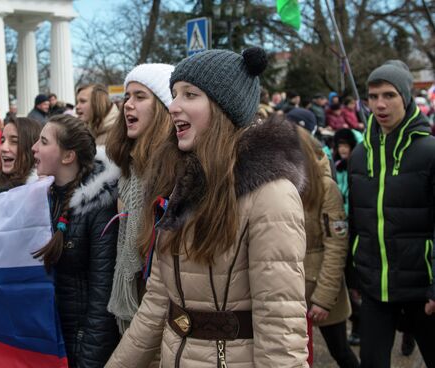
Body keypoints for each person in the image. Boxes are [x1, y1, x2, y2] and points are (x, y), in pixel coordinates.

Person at [106, 48, 308, 367]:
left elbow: (281, 326)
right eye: (174, 95)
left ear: (224, 107)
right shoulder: (179, 184)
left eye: (190, 94)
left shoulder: (271, 194)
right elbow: (157, 303)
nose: (173, 107)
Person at [348, 59, 435, 367]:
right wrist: (352, 272)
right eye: (373, 97)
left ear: (406, 97)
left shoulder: (429, 151)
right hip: (374, 287)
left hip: (421, 287)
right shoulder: (359, 155)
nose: (380, 104)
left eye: (389, 95)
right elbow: (355, 220)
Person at [31, 114, 121, 367]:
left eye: (44, 141)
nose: (34, 148)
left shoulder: (99, 209)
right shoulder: (38, 202)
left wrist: (88, 360)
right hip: (47, 341)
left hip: (79, 347)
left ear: (67, 156)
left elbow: (102, 298)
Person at [105, 63, 174, 336]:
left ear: (163, 108)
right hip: (135, 308)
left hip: (162, 314)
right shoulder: (128, 171)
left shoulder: (173, 172)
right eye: (127, 97)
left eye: (140, 97)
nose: (128, 105)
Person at [295, 126, 360, 368]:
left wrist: (324, 297)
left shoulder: (325, 187)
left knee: (340, 352)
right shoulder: (279, 185)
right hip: (291, 292)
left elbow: (336, 246)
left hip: (322, 288)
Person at [0, 117, 41, 192]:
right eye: (2, 141)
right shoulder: (0, 187)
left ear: (33, 146)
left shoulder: (40, 193)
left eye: (14, 141)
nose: (3, 148)